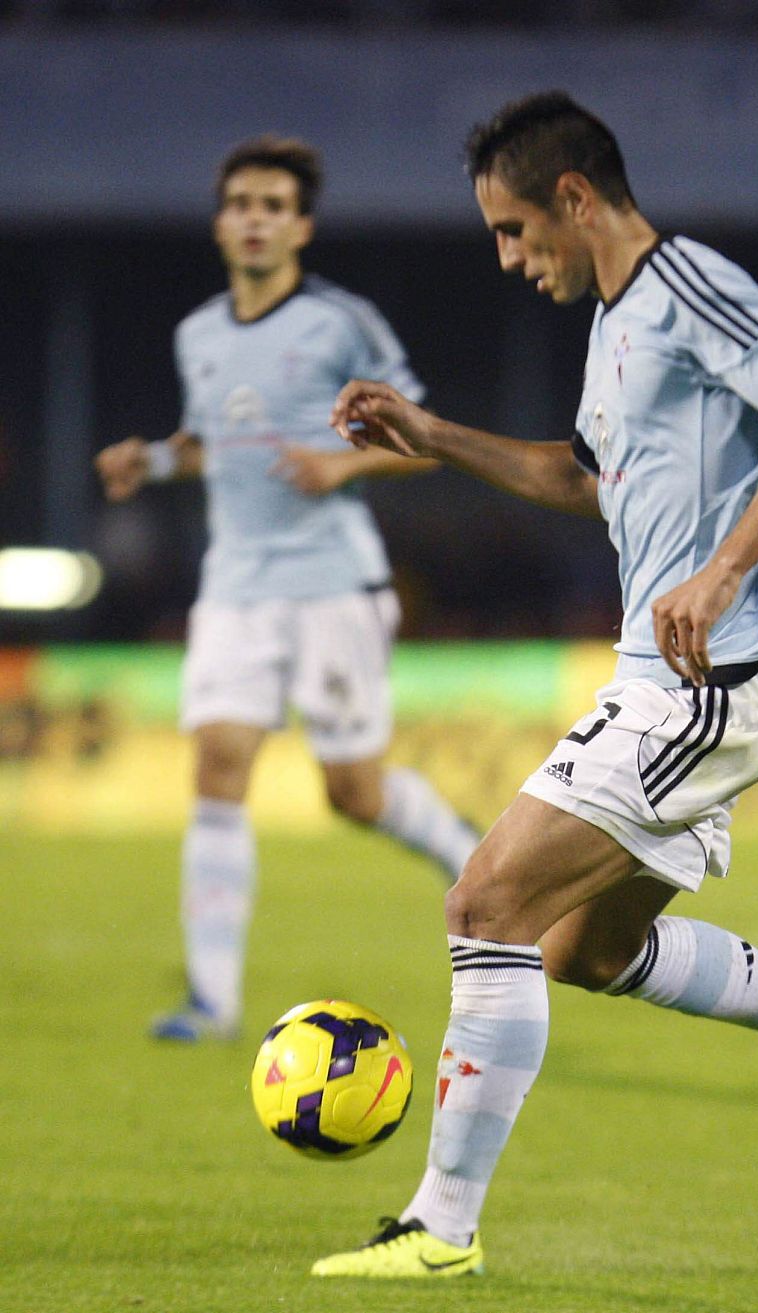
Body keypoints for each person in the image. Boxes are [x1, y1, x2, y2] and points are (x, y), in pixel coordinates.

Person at [309, 92, 758, 1280]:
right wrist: (433, 435)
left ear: (576, 198)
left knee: (484, 903)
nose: (508, 257)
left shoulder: (689, 286)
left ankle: (440, 1229)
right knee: (578, 952)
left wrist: (724, 567)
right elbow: (582, 476)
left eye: (512, 229)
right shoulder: (613, 327)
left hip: (703, 677)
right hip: (683, 678)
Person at [94, 137, 481, 1043]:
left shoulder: (343, 323)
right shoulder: (197, 333)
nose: (256, 219)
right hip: (233, 587)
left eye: (274, 204)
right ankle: (213, 1001)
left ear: (300, 224)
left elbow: (426, 438)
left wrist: (340, 464)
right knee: (218, 767)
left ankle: (470, 852)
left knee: (353, 792)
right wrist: (149, 459)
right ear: (222, 220)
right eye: (241, 203)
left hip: (333, 585)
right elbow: (207, 441)